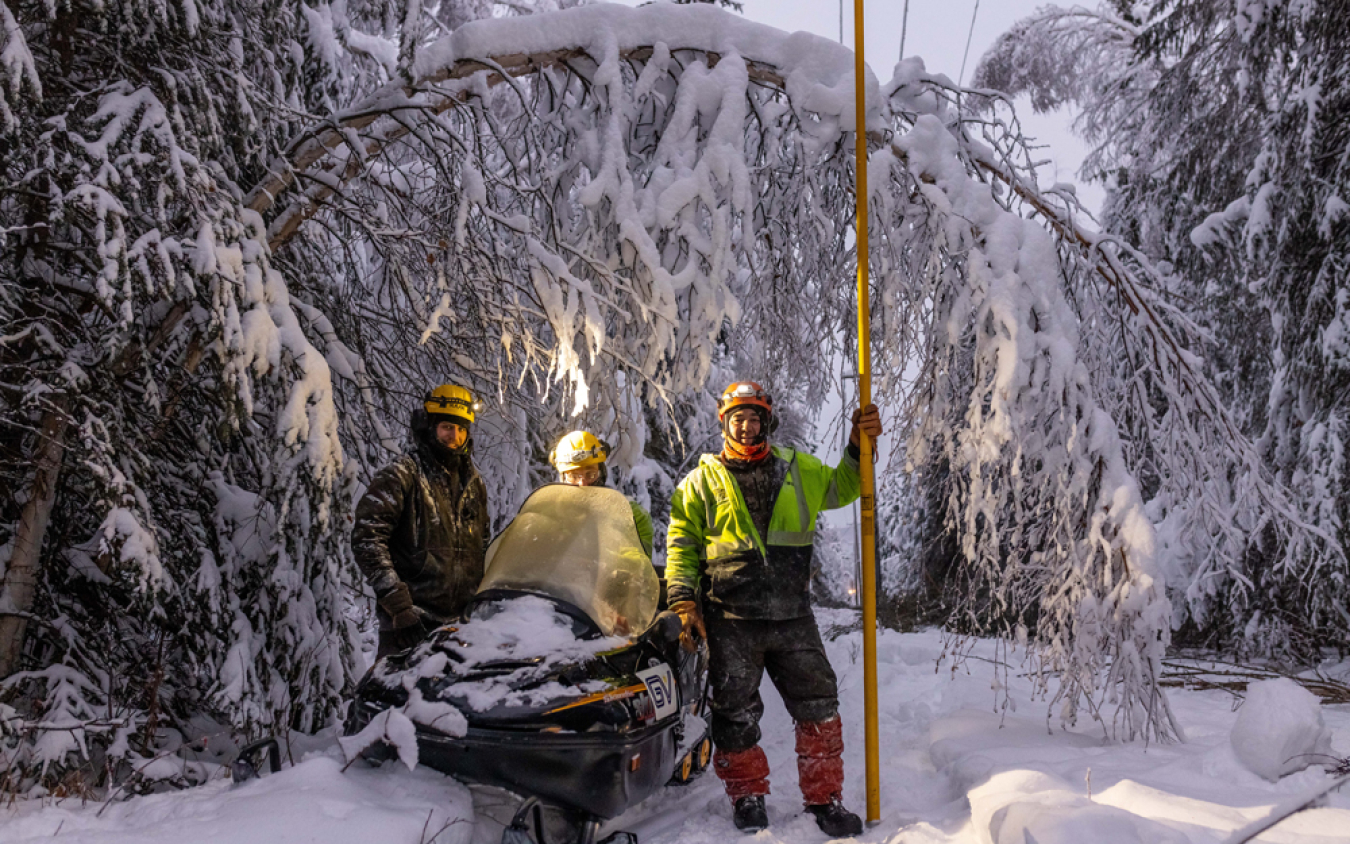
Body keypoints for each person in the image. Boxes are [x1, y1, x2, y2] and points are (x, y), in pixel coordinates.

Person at [665, 381, 882, 836]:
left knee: (819, 702)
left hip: (792, 616)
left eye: (754, 418)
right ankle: (748, 797)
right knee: (735, 711)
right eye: (737, 418)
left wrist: (858, 445)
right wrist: (684, 601)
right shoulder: (700, 483)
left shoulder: (797, 469)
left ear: (768, 422)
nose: (746, 427)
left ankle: (825, 799)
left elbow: (845, 486)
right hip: (730, 617)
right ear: (725, 423)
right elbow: (681, 544)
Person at [352, 384, 490, 659]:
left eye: (462, 429)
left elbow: (483, 545)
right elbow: (367, 538)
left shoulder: (474, 483)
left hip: (462, 626)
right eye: (447, 427)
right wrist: (397, 604)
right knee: (399, 700)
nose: (455, 437)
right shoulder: (402, 474)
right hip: (410, 623)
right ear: (430, 426)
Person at [549, 430, 654, 558]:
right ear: (563, 478)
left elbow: (636, 565)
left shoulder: (631, 516)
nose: (583, 483)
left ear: (602, 473)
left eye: (590, 474)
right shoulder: (548, 516)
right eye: (574, 476)